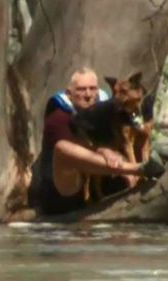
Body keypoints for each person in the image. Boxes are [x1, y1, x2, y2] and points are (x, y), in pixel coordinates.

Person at [36, 67, 158, 215]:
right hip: (66, 189)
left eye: (92, 89)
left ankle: (143, 172)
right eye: (81, 90)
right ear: (69, 94)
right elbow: (75, 150)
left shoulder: (105, 113)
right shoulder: (58, 118)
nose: (88, 95)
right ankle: (136, 169)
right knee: (63, 148)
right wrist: (102, 150)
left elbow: (130, 141)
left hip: (100, 189)